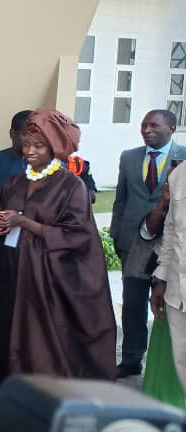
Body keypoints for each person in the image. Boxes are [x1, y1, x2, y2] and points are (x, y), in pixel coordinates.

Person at [0, 108, 116, 388]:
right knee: (5, 326)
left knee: (39, 335)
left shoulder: (71, 186)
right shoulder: (12, 183)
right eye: (27, 144)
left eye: (38, 146)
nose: (29, 151)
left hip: (48, 276)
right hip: (9, 270)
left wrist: (25, 222)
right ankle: (9, 384)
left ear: (54, 148)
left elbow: (78, 235)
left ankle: (42, 388)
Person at [111, 109, 185, 378]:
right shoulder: (129, 157)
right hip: (134, 243)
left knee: (168, 302)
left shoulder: (184, 157)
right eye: (143, 125)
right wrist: (117, 235)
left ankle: (164, 367)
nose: (146, 130)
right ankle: (131, 359)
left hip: (172, 244)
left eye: (154, 125)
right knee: (133, 302)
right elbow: (121, 199)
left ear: (172, 128)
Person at [151, 147, 186, 406]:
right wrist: (160, 280)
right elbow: (171, 233)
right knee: (181, 363)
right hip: (177, 293)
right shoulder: (179, 176)